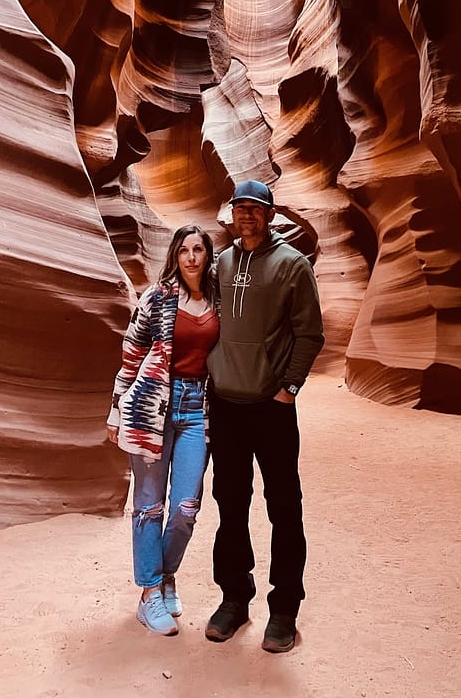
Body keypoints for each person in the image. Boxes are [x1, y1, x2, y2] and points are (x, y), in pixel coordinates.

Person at [205, 180, 324, 654]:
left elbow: (309, 333)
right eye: (241, 208)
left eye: (257, 209)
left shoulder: (292, 265)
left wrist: (289, 387)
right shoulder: (222, 264)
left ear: (271, 214)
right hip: (226, 407)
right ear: (232, 214)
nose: (248, 216)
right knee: (229, 504)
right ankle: (234, 598)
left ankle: (285, 608)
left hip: (271, 409)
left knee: (283, 507)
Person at [106, 225, 218, 636]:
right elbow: (131, 354)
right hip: (151, 406)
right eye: (184, 250)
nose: (191, 257)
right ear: (175, 254)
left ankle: (165, 574)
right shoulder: (157, 297)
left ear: (207, 255)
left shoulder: (217, 301)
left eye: (199, 250)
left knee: (186, 507)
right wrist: (116, 410)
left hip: (195, 410)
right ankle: (150, 592)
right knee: (149, 506)